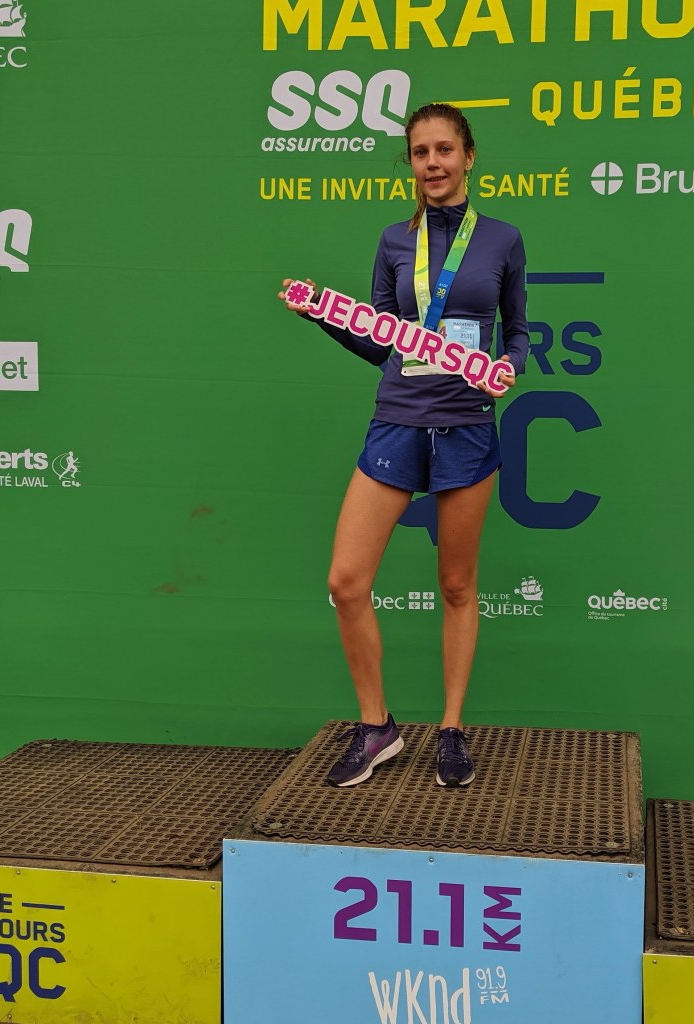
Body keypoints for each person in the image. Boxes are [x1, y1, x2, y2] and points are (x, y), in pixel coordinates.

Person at [278, 102, 528, 789]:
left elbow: (516, 329)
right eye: (421, 153)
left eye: (445, 149)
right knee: (346, 580)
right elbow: (378, 342)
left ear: (468, 156)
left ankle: (451, 729)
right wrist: (322, 316)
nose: (433, 163)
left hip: (467, 423)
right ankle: (377, 727)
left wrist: (511, 365)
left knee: (457, 585)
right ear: (410, 163)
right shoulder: (394, 242)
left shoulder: (503, 239)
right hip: (398, 420)